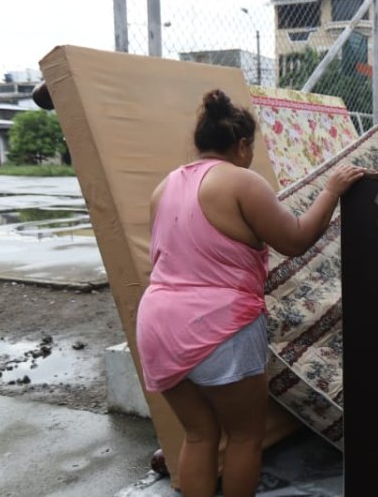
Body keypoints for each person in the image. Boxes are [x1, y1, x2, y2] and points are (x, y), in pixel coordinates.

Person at [135, 89, 364, 497]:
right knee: (243, 437)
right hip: (217, 326)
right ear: (241, 145)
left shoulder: (164, 187)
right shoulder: (241, 181)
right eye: (251, 149)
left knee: (200, 435)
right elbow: (293, 240)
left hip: (156, 323)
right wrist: (331, 191)